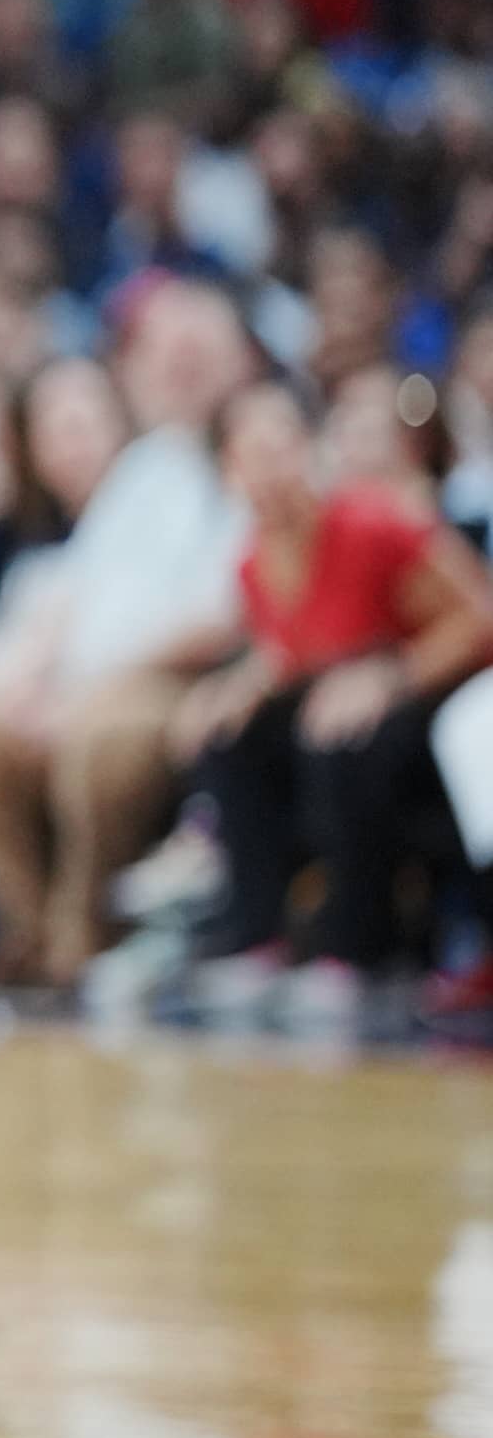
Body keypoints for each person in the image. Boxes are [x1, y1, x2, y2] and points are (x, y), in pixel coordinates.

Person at [0, 274, 253, 983]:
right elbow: (73, 592)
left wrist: (95, 685)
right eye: (166, 352)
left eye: (197, 351)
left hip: (177, 683)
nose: (179, 367)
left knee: (102, 739)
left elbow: (224, 614)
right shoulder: (143, 465)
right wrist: (26, 681)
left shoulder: (247, 450)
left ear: (238, 357)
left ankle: (82, 933)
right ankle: (35, 928)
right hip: (87, 680)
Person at [168, 379, 493, 1031]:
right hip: (341, 699)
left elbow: (480, 619)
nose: (270, 467)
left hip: (436, 699)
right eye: (249, 452)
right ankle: (256, 935)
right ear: (228, 470)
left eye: (282, 445)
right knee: (233, 734)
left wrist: (392, 675)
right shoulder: (253, 564)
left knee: (344, 736)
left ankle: (359, 952)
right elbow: (296, 649)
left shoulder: (376, 522)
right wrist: (240, 687)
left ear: (310, 447)